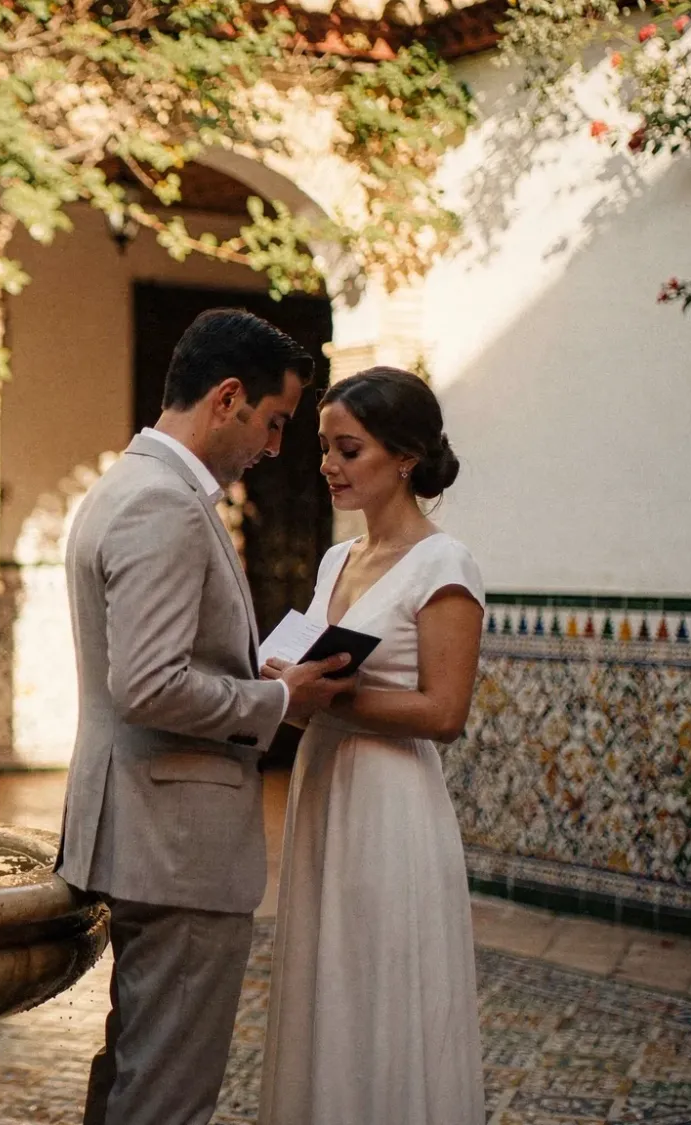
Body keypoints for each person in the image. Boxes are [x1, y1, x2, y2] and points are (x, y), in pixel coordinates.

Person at [57, 308, 358, 1125]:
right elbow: (148, 685)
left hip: (144, 830)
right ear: (227, 398)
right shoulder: (166, 503)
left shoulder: (125, 486)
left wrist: (247, 673)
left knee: (133, 1076)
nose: (273, 447)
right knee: (166, 1098)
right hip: (178, 845)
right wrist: (280, 699)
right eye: (273, 422)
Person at [257, 365, 488, 1125]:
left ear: (406, 457)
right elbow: (310, 702)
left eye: (348, 449)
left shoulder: (444, 565)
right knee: (329, 975)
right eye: (324, 447)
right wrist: (284, 690)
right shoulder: (335, 562)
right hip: (322, 788)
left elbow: (446, 711)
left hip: (392, 803)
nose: (327, 464)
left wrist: (341, 696)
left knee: (383, 980)